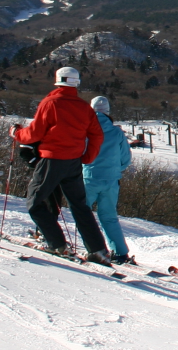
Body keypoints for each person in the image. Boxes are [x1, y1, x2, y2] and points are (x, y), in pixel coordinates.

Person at [10, 67, 110, 264]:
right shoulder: (84, 107)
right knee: (80, 206)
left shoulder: (50, 103)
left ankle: (56, 244)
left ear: (57, 82)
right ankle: (98, 250)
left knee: (35, 202)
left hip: (51, 160)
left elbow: (35, 134)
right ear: (76, 83)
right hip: (73, 162)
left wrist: (17, 134)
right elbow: (97, 134)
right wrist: (87, 157)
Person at [82, 96, 133, 265]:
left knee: (83, 214)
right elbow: (126, 158)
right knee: (109, 217)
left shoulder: (85, 129)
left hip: (89, 177)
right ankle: (120, 253)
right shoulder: (117, 132)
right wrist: (115, 170)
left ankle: (93, 248)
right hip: (111, 180)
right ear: (108, 112)